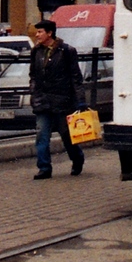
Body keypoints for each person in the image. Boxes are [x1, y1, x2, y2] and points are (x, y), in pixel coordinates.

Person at [28, 19, 85, 180]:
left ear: (50, 33)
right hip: (42, 101)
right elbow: (33, 74)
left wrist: (80, 100)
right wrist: (33, 91)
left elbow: (76, 77)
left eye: (40, 32)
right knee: (41, 134)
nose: (37, 35)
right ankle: (44, 168)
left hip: (62, 101)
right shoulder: (36, 51)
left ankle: (77, 159)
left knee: (67, 136)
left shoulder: (66, 51)